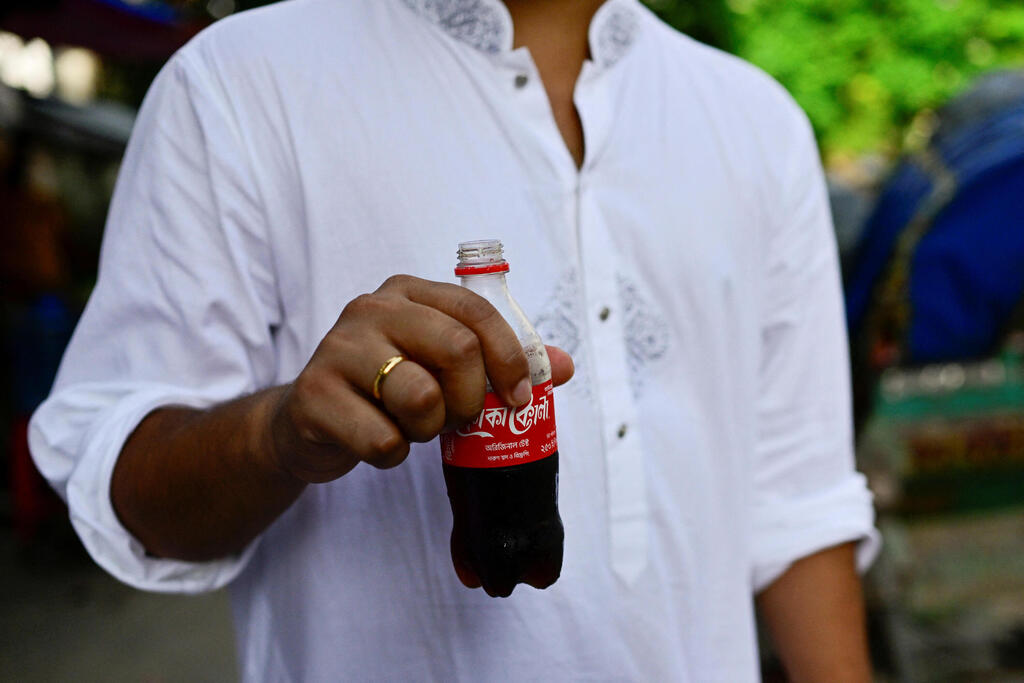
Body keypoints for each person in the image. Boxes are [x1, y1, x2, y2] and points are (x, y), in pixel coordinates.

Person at [30, 0, 880, 680]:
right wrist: (279, 431)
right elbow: (126, 488)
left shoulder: (755, 120)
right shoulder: (239, 86)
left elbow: (798, 502)